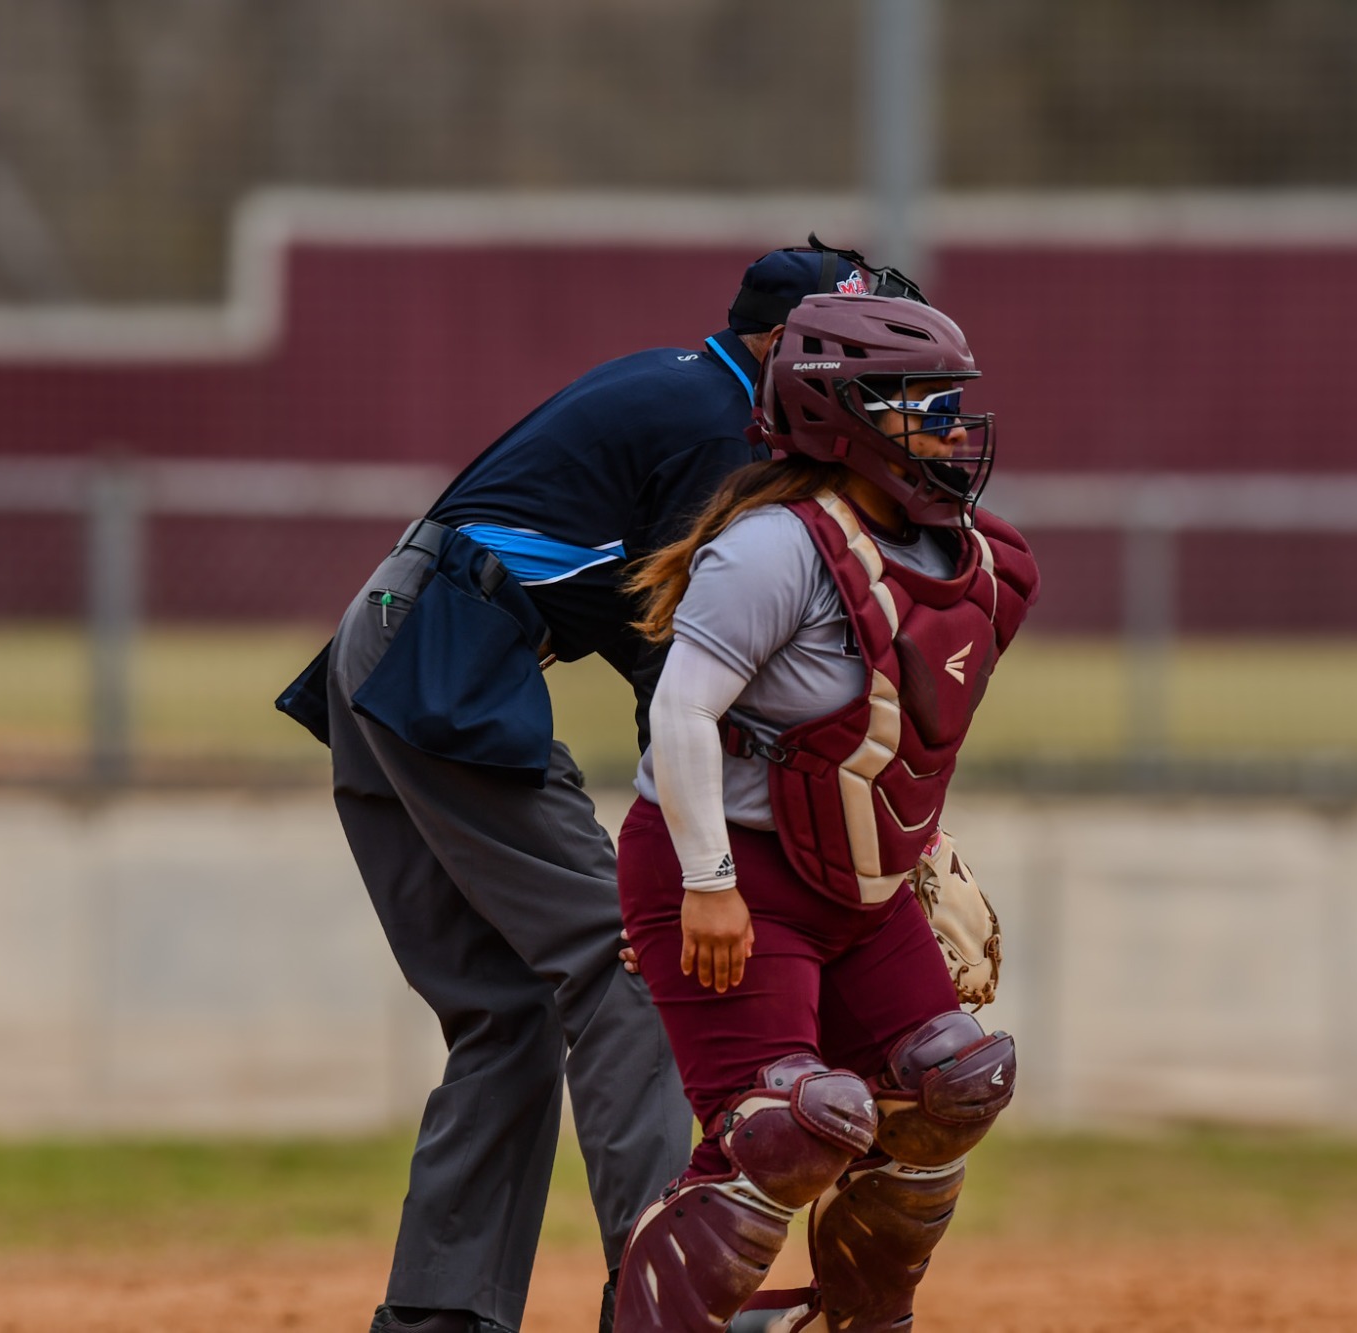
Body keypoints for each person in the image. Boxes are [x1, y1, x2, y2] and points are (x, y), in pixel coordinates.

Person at [274, 244, 931, 1333]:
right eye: (850, 359)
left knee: (510, 1010)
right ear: (782, 347)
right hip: (439, 658)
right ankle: (671, 1298)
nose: (878, 392)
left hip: (393, 645)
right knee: (623, 961)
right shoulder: (722, 430)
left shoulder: (695, 391)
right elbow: (678, 669)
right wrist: (691, 867)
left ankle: (438, 1316)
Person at [609, 293, 1040, 1332]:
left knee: (952, 1088)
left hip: (860, 887)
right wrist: (704, 885)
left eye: (948, 399)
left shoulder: (980, 561)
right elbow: (678, 714)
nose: (945, 422)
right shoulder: (773, 549)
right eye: (914, 402)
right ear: (839, 418)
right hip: (727, 876)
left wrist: (917, 844)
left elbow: (893, 731)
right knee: (792, 1130)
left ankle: (852, 1321)